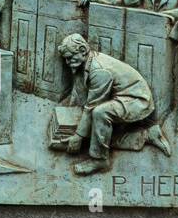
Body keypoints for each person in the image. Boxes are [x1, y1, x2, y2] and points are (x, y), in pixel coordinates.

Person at [49, 34, 154, 175]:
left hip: (136, 101)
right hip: (120, 98)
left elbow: (92, 106)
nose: (68, 62)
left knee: (100, 113)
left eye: (70, 57)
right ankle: (147, 136)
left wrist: (78, 136)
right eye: (66, 59)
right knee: (97, 129)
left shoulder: (99, 71)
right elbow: (79, 94)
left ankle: (99, 159)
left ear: (82, 50)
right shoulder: (85, 63)